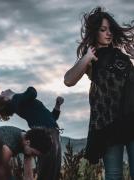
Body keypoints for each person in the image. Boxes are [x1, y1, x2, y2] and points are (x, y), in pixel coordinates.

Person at [64, 6, 134, 180]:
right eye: (103, 30)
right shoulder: (92, 57)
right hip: (109, 125)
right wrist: (86, 58)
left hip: (132, 120)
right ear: (95, 32)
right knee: (114, 175)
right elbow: (68, 80)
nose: (108, 33)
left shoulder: (123, 56)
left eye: (110, 29)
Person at [0, 86, 64, 180]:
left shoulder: (19, 101)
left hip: (54, 133)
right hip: (46, 135)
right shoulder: (17, 102)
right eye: (1, 95)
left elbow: (51, 118)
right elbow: (32, 92)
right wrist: (12, 95)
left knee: (53, 172)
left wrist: (57, 106)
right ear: (5, 99)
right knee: (47, 172)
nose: (2, 91)